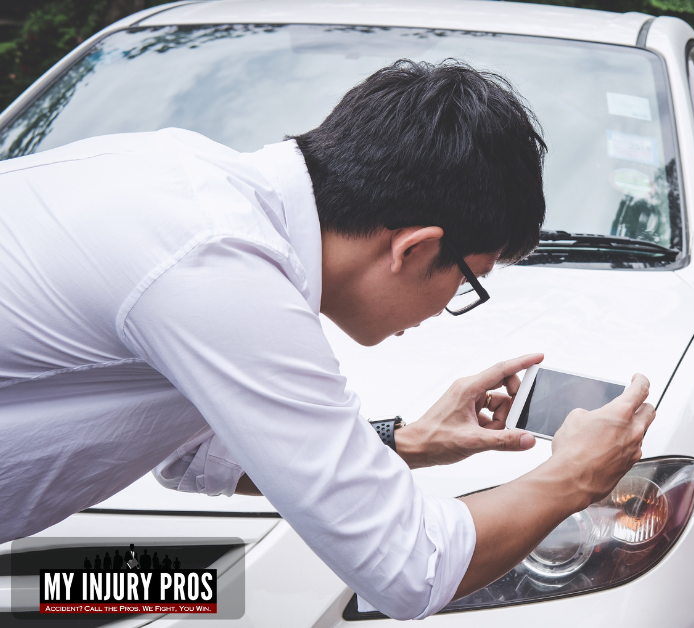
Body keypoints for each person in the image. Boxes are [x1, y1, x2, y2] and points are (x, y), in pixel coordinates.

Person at [0, 60, 654, 619]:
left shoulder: (189, 185)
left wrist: (411, 441)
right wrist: (574, 477)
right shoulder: (221, 266)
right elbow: (411, 567)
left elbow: (197, 454)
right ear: (416, 247)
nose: (451, 308)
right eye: (467, 282)